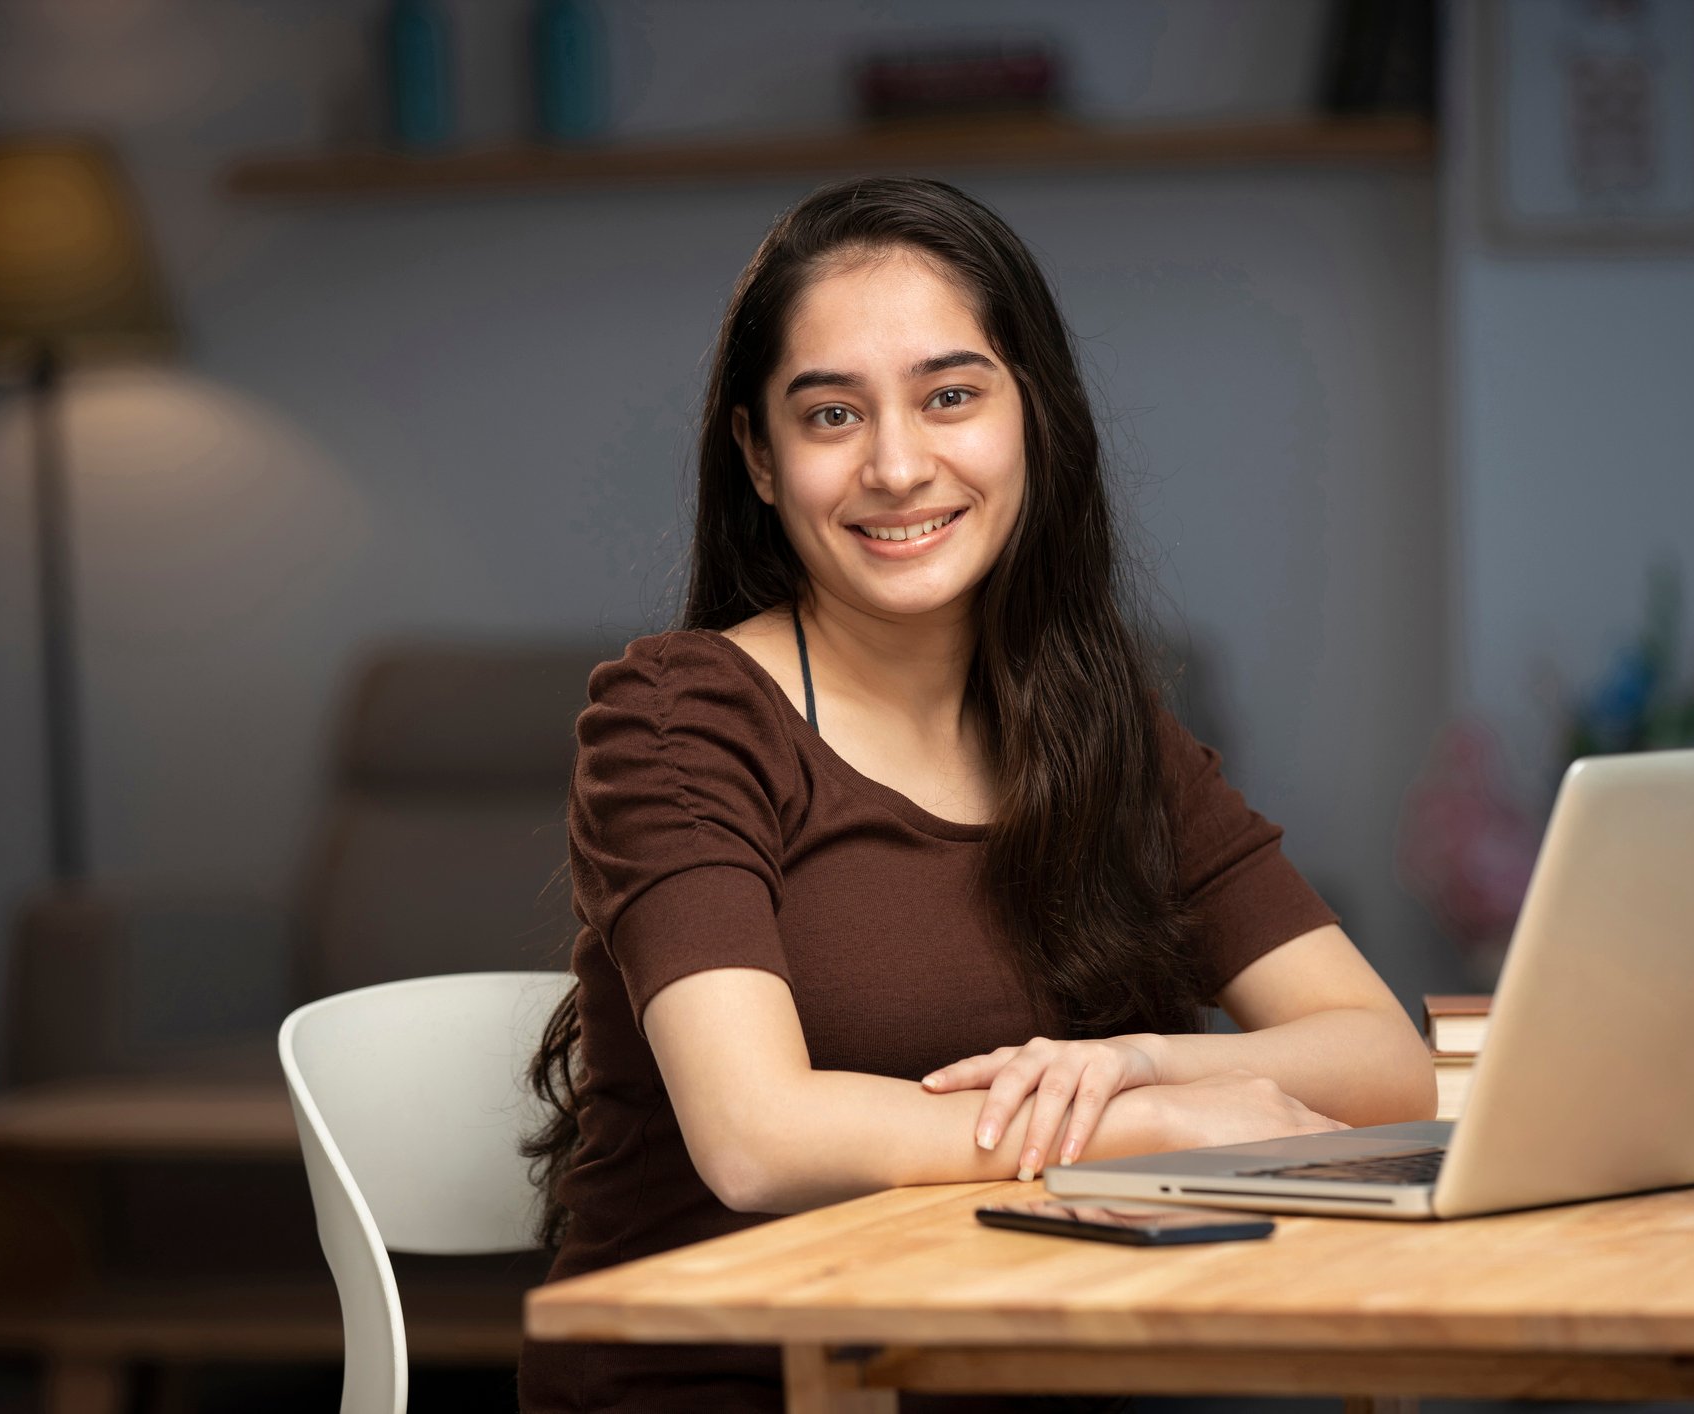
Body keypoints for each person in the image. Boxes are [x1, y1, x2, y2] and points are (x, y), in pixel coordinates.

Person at [519, 176, 1436, 1413]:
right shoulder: (679, 718)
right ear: (758, 455)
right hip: (728, 1380)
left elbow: (1383, 1062)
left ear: (1033, 418)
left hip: (1021, 1372)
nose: (898, 466)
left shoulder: (1109, 730)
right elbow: (758, 1137)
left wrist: (1136, 1069)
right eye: (832, 415)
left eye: (951, 396)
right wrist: (1128, 1136)